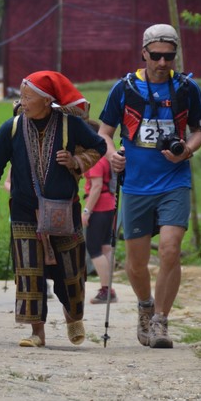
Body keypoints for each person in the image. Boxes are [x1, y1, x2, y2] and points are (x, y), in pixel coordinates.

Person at [0, 71, 106, 347]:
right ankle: (37, 333)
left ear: (46, 100)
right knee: (29, 271)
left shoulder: (69, 125)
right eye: (21, 96)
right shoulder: (11, 129)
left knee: (70, 271)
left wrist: (76, 161)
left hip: (64, 211)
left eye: (28, 97)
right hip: (24, 212)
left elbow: (99, 146)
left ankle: (73, 318)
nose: (23, 102)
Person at [98, 24, 201, 349]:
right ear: (144, 53)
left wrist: (187, 150)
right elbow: (104, 132)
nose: (162, 62)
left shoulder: (187, 88)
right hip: (136, 184)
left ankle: (160, 320)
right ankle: (145, 306)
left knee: (171, 250)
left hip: (175, 180)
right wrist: (112, 155)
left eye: (168, 56)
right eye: (156, 55)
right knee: (136, 263)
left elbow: (199, 130)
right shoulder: (124, 88)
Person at [82, 120, 117, 304]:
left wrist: (87, 210)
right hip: (110, 204)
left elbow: (96, 186)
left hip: (99, 206)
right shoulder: (106, 155)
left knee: (94, 249)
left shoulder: (94, 158)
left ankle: (106, 290)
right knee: (105, 247)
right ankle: (109, 287)